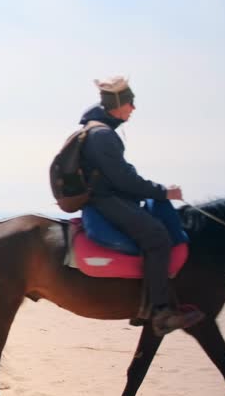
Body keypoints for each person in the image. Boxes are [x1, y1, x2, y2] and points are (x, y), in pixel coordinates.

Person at [79, 76, 204, 336]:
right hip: (106, 201)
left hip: (109, 197)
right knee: (157, 237)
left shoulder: (100, 130)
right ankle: (160, 311)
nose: (133, 108)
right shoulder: (102, 134)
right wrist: (163, 191)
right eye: (130, 103)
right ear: (117, 104)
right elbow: (123, 179)